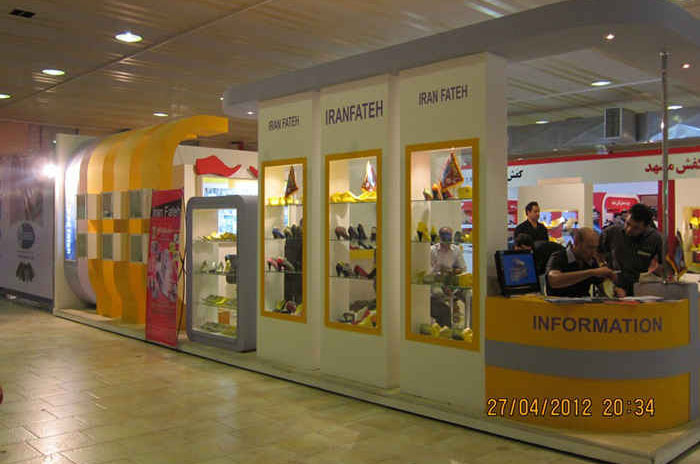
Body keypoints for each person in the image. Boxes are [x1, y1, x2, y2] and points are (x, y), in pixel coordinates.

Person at [599, 203, 662, 296]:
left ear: (646, 227)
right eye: (627, 223)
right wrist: (604, 268)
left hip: (641, 291)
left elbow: (662, 267)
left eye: (636, 228)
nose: (628, 229)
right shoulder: (611, 233)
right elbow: (597, 254)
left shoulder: (655, 239)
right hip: (613, 290)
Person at [546, 227, 617, 297]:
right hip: (559, 303)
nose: (593, 252)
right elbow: (554, 280)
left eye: (595, 248)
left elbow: (601, 288)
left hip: (584, 303)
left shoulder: (591, 261)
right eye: (589, 247)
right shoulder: (558, 257)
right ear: (576, 242)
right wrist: (591, 272)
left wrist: (615, 286)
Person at [430, 227, 466, 327]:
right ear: (440, 237)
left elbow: (462, 268)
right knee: (438, 294)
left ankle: (471, 328)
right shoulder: (432, 250)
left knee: (470, 297)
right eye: (444, 236)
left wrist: (452, 271)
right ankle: (444, 325)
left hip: (451, 281)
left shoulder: (456, 250)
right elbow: (429, 272)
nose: (447, 240)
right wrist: (440, 271)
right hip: (437, 282)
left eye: (449, 236)